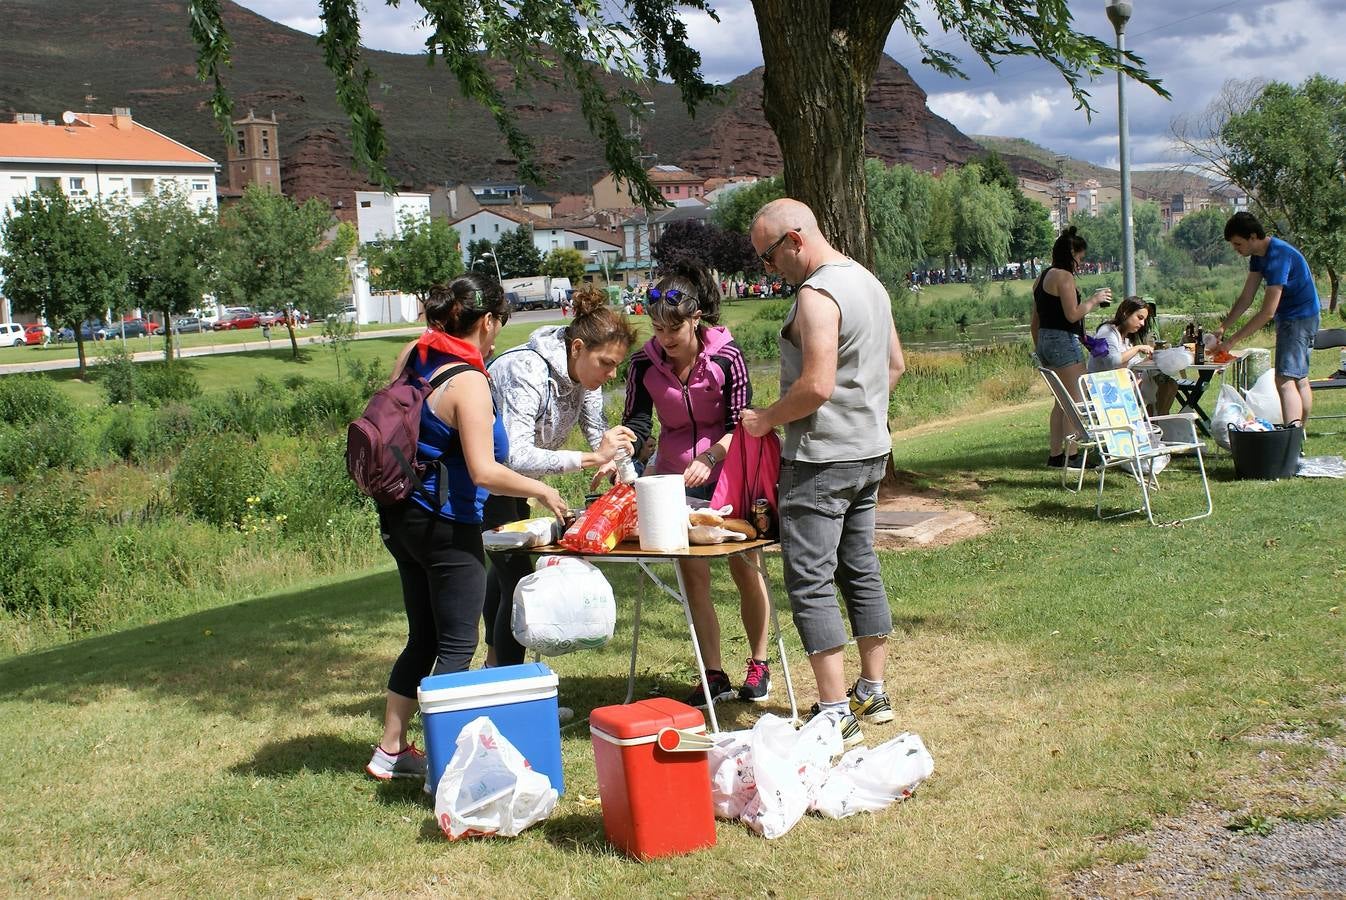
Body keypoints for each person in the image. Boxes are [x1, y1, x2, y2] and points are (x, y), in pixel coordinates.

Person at [366, 275, 569, 782]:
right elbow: (484, 471)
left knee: (423, 638)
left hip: (401, 514)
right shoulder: (470, 382)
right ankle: (447, 766)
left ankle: (389, 751)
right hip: (445, 523)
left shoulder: (417, 353)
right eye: (499, 322)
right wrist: (541, 489)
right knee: (457, 645)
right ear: (488, 321)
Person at [740, 198, 905, 747]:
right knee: (858, 565)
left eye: (768, 257)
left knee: (809, 579)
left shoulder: (816, 295)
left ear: (794, 240)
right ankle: (872, 690)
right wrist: (864, 412)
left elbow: (813, 387)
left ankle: (834, 709)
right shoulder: (869, 283)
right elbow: (895, 366)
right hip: (870, 451)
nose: (769, 270)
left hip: (820, 459)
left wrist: (765, 419)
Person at [622, 259, 774, 706]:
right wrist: (628, 450)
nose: (665, 340)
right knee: (694, 578)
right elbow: (636, 422)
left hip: (729, 474)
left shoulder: (727, 358)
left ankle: (759, 664)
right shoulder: (642, 365)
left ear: (696, 318)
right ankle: (714, 673)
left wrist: (711, 456)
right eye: (657, 329)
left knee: (746, 569)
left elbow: (742, 424)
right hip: (673, 482)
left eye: (674, 329)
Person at [482, 287, 638, 668]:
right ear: (578, 348)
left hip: (513, 482)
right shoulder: (527, 369)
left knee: (506, 574)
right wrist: (591, 457)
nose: (611, 373)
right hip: (485, 480)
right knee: (518, 583)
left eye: (617, 365)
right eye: (605, 363)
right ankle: (510, 686)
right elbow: (515, 455)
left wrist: (624, 470)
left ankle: (492, 671)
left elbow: (598, 432)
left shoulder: (587, 380)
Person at [1213, 212, 1322, 426]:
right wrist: (1223, 327)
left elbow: (1267, 313)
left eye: (1238, 244)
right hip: (1297, 316)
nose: (1236, 250)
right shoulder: (1258, 257)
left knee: (1284, 379)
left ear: (1253, 237)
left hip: (1298, 318)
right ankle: (1298, 435)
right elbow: (1247, 297)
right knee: (1298, 378)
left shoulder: (1278, 256)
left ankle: (1292, 435)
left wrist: (1232, 341)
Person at [1029, 226, 1113, 467]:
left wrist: (1040, 348)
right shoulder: (1064, 277)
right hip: (1063, 342)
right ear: (1072, 254)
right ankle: (1072, 455)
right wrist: (1094, 300)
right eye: (1081, 257)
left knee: (1060, 400)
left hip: (1045, 341)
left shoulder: (1042, 277)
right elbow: (1072, 314)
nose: (1081, 263)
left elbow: (1036, 320)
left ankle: (1055, 455)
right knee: (1076, 399)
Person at [1087, 296, 1179, 413]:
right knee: (1164, 387)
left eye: (1144, 320)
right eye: (1140, 318)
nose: (1142, 323)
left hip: (1123, 385)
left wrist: (1149, 358)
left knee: (1170, 385)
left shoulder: (1126, 338)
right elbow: (1113, 361)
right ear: (1126, 313)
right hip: (1106, 389)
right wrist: (1138, 348)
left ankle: (1154, 422)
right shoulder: (1107, 332)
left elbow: (1134, 363)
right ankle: (1154, 422)